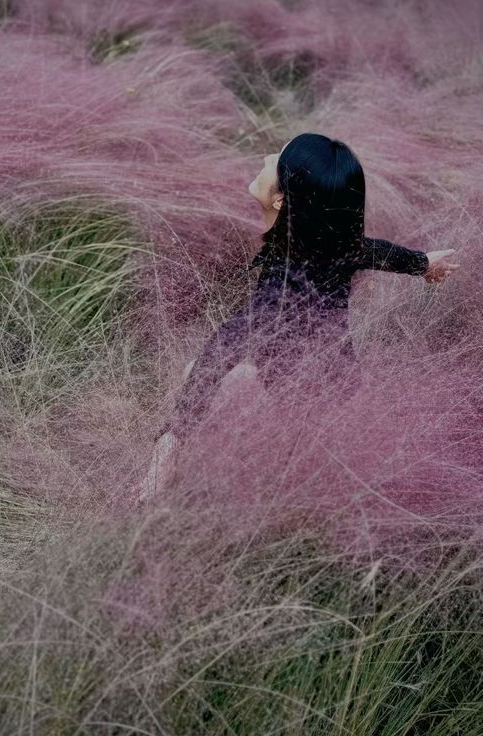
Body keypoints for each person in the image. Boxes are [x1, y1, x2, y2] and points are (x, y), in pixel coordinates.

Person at [138, 133, 460, 501]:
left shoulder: (278, 294)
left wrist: (169, 442)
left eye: (278, 159)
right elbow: (373, 250)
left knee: (196, 373)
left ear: (281, 198)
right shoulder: (332, 241)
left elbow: (215, 359)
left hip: (304, 422)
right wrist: (423, 263)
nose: (267, 155)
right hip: (342, 395)